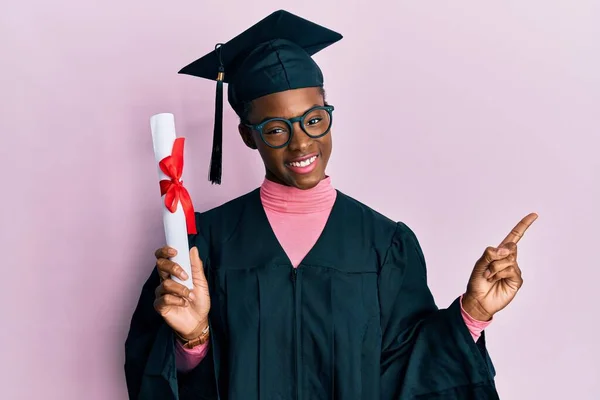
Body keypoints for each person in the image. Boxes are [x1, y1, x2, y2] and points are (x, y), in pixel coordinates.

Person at [124, 9, 537, 400]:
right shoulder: (203, 243)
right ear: (249, 136)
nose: (302, 142)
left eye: (314, 119)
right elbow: (159, 372)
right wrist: (192, 340)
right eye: (275, 129)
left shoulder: (384, 244)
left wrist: (472, 313)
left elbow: (410, 370)